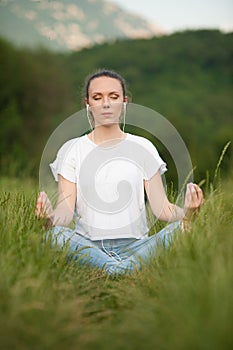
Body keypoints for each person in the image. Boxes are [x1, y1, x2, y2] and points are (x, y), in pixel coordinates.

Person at [36, 69, 203, 275]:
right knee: (54, 235)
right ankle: (126, 270)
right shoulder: (72, 150)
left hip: (137, 247)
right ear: (88, 104)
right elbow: (65, 212)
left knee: (185, 229)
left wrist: (188, 213)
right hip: (89, 246)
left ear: (124, 102)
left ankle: (113, 270)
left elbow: (162, 209)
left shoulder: (144, 147)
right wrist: (49, 218)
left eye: (113, 97)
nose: (106, 103)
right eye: (97, 97)